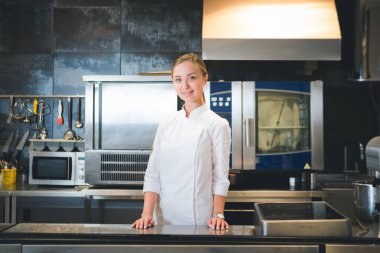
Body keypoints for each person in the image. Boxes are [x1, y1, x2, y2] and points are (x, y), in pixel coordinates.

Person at [132, 53, 231, 230]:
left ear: (204, 79)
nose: (184, 86)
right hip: (162, 219)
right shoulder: (167, 123)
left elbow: (220, 177)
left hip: (198, 219)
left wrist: (218, 214)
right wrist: (146, 214)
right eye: (178, 79)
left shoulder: (217, 124)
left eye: (191, 78)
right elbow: (153, 172)